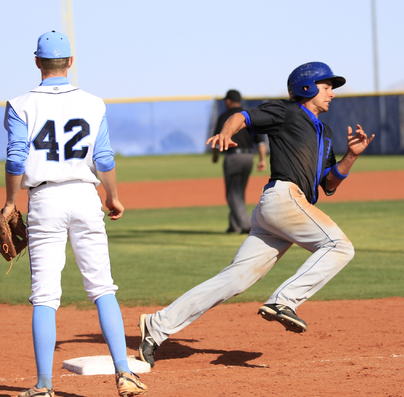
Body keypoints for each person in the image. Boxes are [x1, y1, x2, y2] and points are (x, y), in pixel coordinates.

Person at [138, 62, 374, 368]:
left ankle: (156, 325)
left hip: (281, 210)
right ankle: (283, 301)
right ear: (307, 87)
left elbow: (328, 183)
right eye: (327, 86)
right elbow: (242, 116)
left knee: (234, 280)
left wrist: (351, 157)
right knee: (340, 246)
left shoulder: (324, 131)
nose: (332, 93)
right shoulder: (287, 111)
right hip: (283, 198)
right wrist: (225, 132)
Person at [0, 30, 147, 397]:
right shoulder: (93, 103)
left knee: (45, 296)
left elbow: (17, 157)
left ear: (37, 62)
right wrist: (112, 197)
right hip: (85, 196)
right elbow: (105, 158)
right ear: (70, 62)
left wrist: (8, 203)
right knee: (103, 287)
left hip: (45, 199)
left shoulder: (19, 104)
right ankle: (124, 373)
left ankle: (43, 387)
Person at [212, 89, 267, 234]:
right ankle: (234, 226)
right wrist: (262, 159)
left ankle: (245, 225)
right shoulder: (249, 116)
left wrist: (215, 155)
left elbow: (217, 139)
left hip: (233, 157)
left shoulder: (225, 116)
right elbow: (261, 142)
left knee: (232, 194)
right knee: (238, 191)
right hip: (249, 157)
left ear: (228, 101)